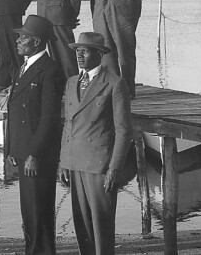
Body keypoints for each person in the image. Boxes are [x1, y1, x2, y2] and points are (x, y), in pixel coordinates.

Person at [59, 32, 132, 255]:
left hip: (100, 165)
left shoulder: (114, 83)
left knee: (101, 226)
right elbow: (67, 124)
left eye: (85, 51)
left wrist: (114, 169)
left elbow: (123, 131)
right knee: (82, 225)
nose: (79, 55)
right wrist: (63, 161)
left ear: (99, 54)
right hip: (75, 162)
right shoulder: (72, 82)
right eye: (77, 51)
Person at [5, 15, 65, 255]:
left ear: (38, 42)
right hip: (22, 151)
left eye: (23, 37)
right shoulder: (24, 67)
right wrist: (11, 148)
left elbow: (49, 119)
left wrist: (34, 154)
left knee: (40, 210)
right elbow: (15, 110)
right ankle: (32, 250)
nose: (18, 40)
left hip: (37, 154)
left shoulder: (49, 71)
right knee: (28, 210)